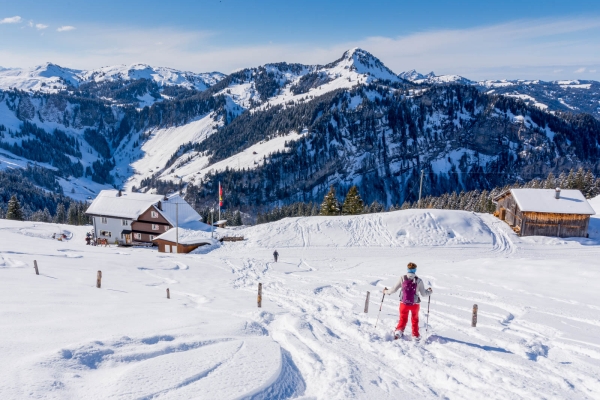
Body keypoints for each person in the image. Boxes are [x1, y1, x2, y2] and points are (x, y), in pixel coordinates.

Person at [383, 262, 432, 340]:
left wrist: (386, 291)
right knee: (415, 319)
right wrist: (429, 291)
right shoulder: (419, 280)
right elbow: (424, 294)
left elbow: (393, 289)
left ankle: (399, 331)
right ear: (415, 270)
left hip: (403, 303)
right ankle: (415, 335)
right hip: (415, 304)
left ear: (407, 269)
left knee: (403, 318)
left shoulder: (402, 278)